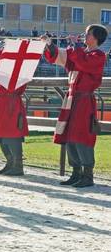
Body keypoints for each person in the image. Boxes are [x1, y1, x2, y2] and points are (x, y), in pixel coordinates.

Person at [43, 25, 108, 187]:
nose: (84, 36)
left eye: (87, 34)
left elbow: (84, 64)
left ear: (96, 38)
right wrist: (50, 44)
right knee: (70, 136)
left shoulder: (98, 55)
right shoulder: (79, 52)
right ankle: (76, 172)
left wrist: (76, 46)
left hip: (84, 101)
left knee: (82, 136)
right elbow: (61, 57)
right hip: (72, 99)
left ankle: (87, 175)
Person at [0, 40, 29, 176]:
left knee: (12, 135)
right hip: (2, 102)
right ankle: (10, 163)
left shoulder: (20, 66)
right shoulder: (4, 64)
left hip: (12, 102)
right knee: (1, 135)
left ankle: (18, 165)